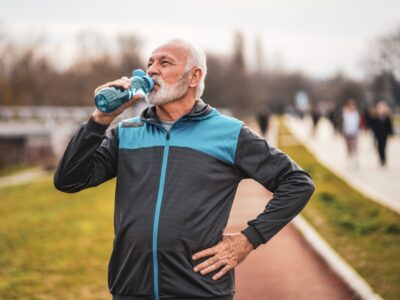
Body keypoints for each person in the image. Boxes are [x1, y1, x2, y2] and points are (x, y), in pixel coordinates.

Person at [54, 38, 315, 300]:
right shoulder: (126, 133)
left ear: (194, 77)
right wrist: (100, 120)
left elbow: (297, 182)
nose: (152, 70)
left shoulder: (228, 133)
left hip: (200, 291)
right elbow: (68, 180)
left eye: (165, 62)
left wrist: (249, 239)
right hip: (130, 290)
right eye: (150, 63)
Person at [371, 101, 393, 167]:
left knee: (383, 147)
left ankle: (383, 159)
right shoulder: (375, 117)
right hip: (378, 135)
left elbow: (390, 127)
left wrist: (391, 134)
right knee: (379, 147)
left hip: (384, 135)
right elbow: (373, 126)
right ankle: (381, 158)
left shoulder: (387, 118)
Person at [342, 99, 360, 168]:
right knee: (348, 147)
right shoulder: (345, 113)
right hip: (347, 132)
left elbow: (358, 123)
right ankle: (349, 160)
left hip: (354, 132)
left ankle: (355, 160)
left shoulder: (356, 113)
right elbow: (343, 122)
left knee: (354, 146)